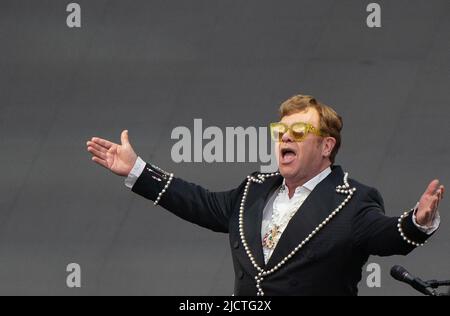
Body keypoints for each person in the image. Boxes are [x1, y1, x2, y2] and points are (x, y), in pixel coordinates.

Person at [86, 94, 444, 296]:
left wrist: (416, 222)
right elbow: (199, 203)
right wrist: (138, 169)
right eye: (280, 131)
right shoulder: (254, 190)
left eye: (299, 131)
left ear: (326, 145)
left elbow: (387, 236)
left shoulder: (351, 200)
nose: (285, 139)